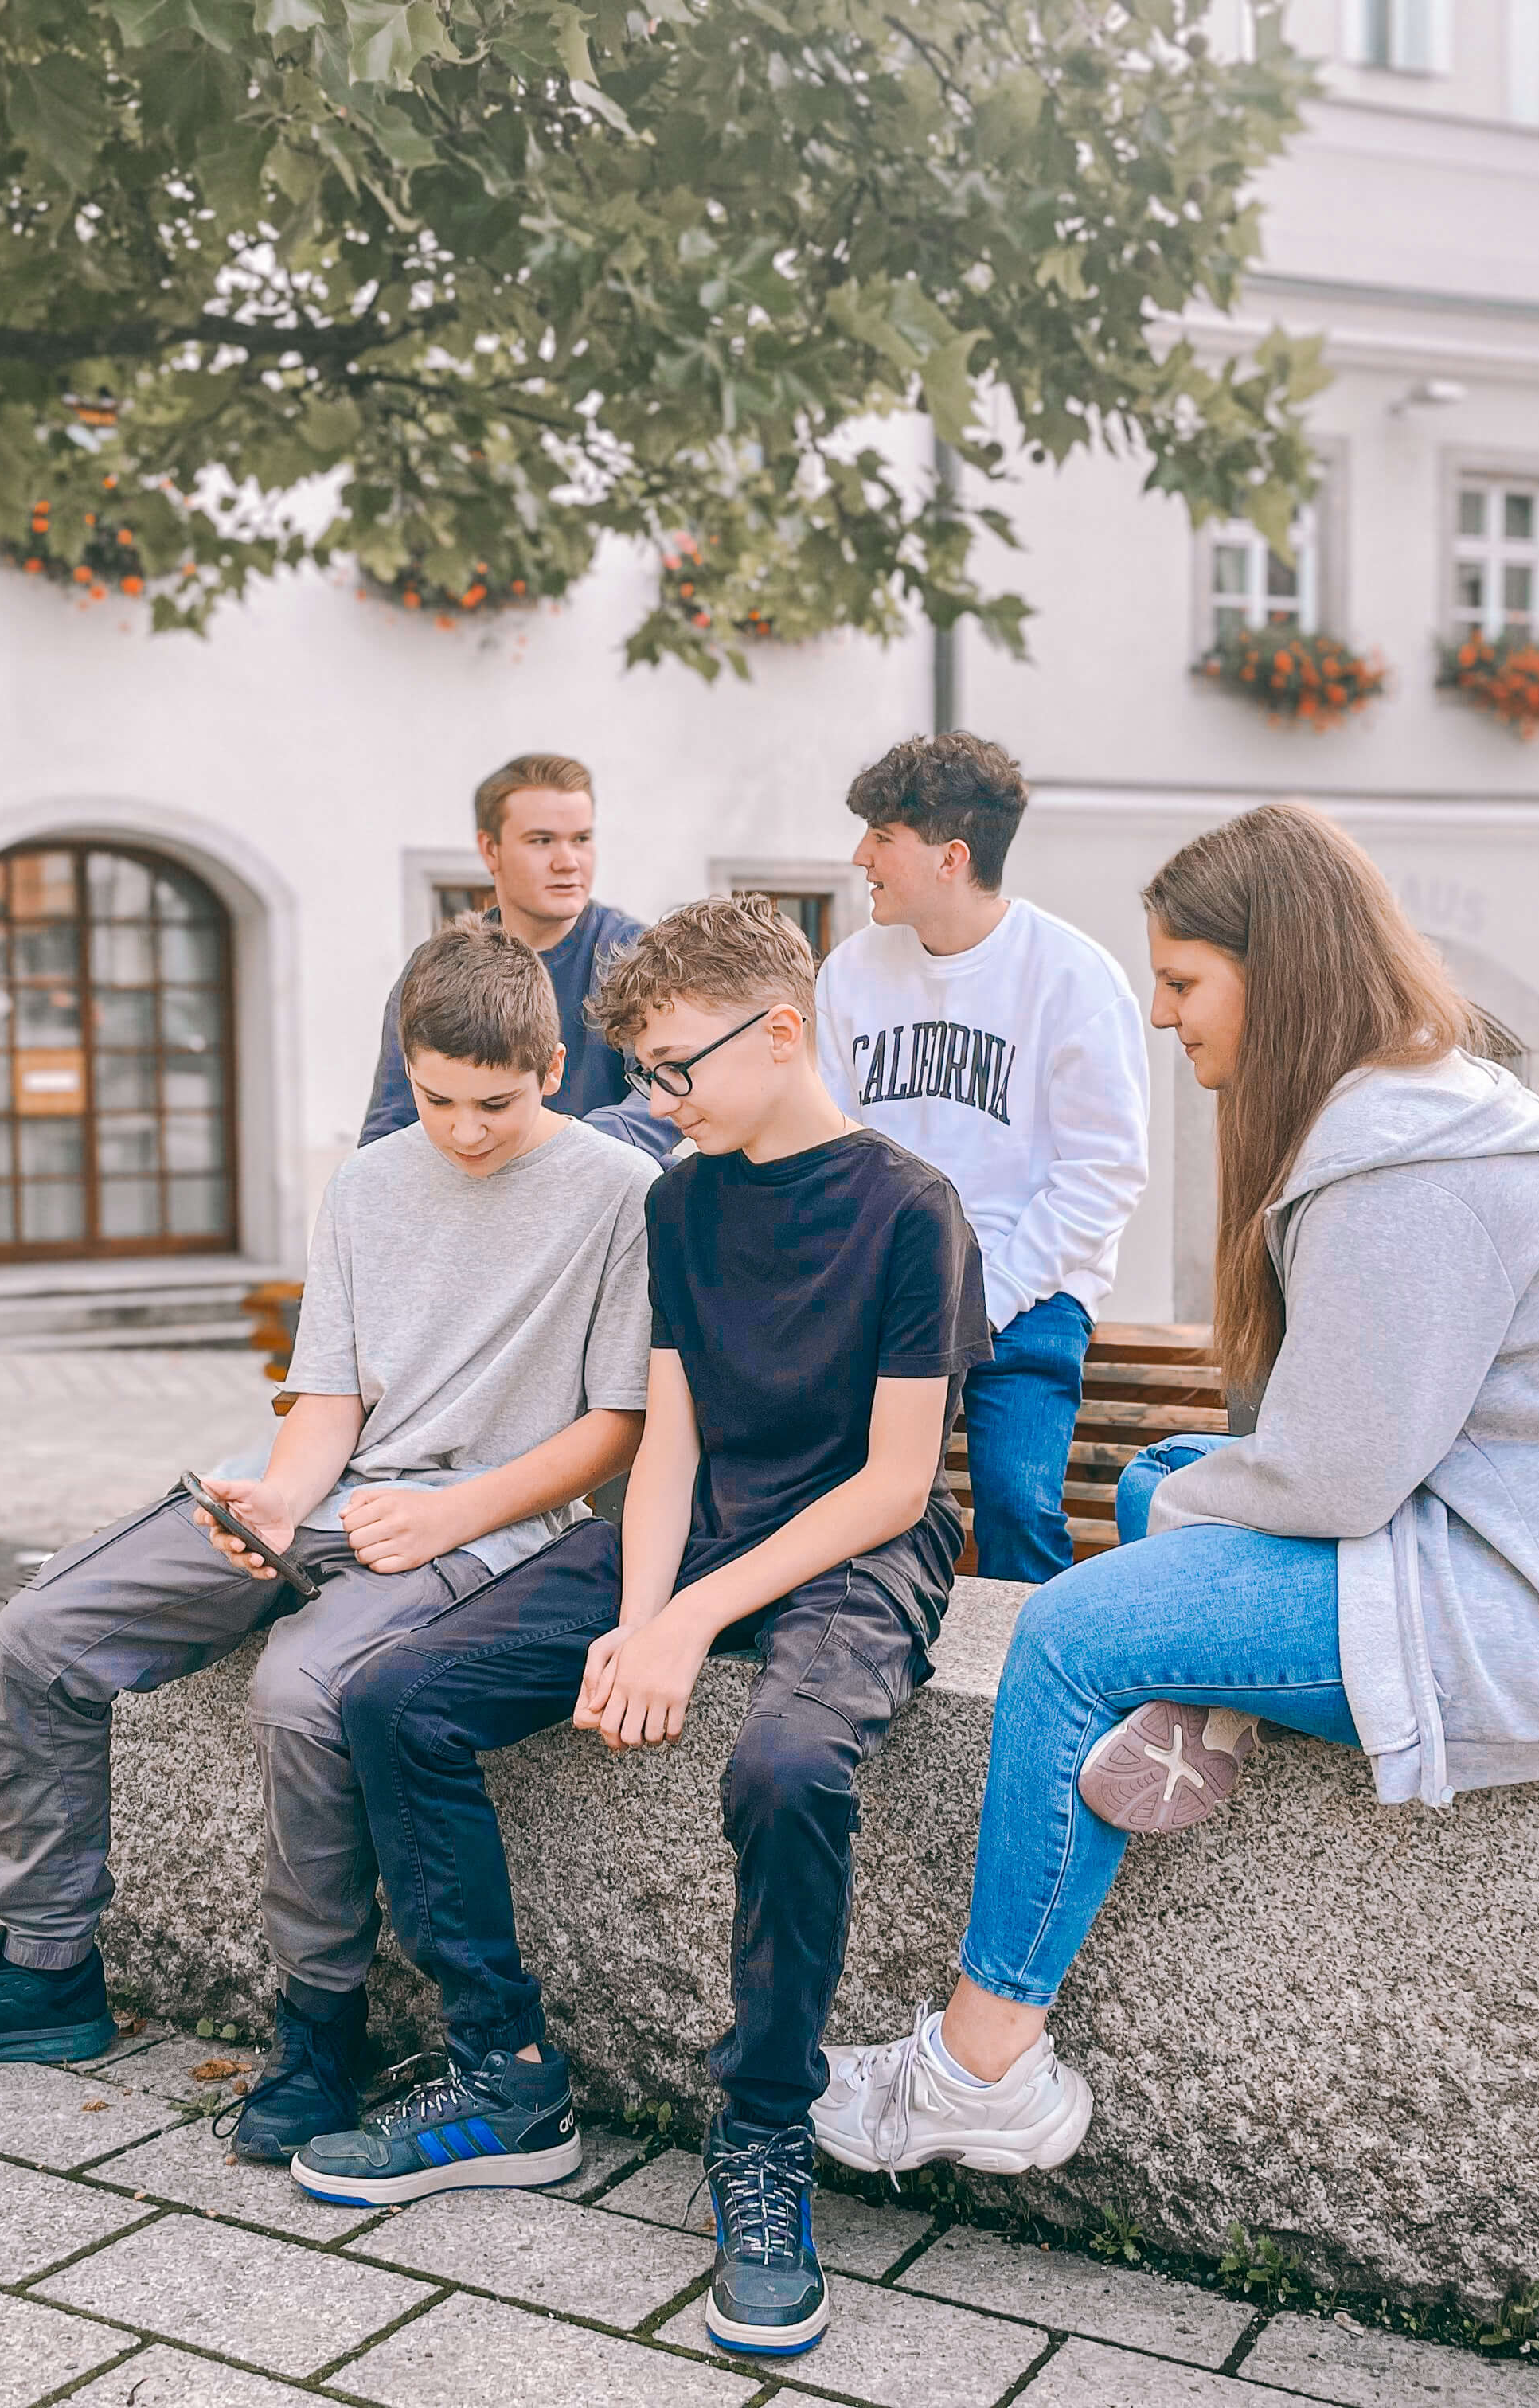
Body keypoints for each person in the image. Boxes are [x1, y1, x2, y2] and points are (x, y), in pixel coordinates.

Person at [809, 800, 1539, 2179]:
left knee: (1068, 1633)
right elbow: (1336, 1457)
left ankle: (983, 2062)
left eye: (1183, 981)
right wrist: (1193, 1519)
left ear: (1283, 968)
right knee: (1159, 1475)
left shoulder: (1405, 1175)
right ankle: (1207, 1704)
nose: (1162, 1015)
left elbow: (1335, 1473)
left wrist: (1179, 1550)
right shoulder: (1401, 1117)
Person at [0, 922, 658, 2171]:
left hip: (489, 1528)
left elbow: (616, 1427)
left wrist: (453, 1509)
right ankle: (46, 1971)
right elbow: (327, 1394)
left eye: (495, 1103)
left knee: (301, 1691)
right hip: (332, 1501)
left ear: (554, 1065)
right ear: (407, 1066)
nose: (464, 1130)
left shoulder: (618, 1193)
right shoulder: (371, 1180)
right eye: (437, 1099)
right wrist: (279, 1501)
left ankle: (317, 2027)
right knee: (39, 1633)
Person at [297, 897, 990, 2362]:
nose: (659, 1102)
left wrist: (694, 1617)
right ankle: (502, 2072)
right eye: (649, 1076)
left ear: (780, 1030)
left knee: (786, 1766)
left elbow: (890, 1478)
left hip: (856, 1546)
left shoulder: (907, 1205)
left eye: (676, 1069)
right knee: (392, 1696)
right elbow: (666, 1436)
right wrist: (639, 1609)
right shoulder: (679, 1194)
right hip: (703, 1528)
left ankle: (760, 2137)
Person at [814, 733, 1149, 1581]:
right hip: (888, 1293)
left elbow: (1102, 1176)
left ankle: (1032, 1688)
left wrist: (986, 1301)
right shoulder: (851, 973)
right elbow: (830, 1142)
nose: (861, 857)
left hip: (1028, 1296)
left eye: (882, 837)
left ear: (950, 858)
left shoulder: (1074, 979)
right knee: (843, 1494)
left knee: (1016, 1502)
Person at [361, 752, 668, 1158]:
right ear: (491, 850)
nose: (567, 862)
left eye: (581, 839)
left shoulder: (634, 956)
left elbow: (664, 1095)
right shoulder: (433, 966)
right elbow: (391, 1127)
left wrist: (550, 1151)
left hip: (604, 1195)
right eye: (542, 841)